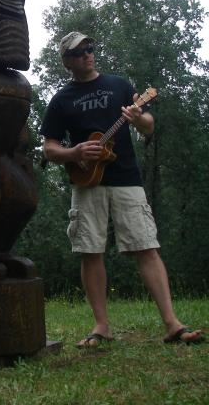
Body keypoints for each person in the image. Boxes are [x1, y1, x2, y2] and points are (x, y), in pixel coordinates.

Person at [41, 31, 203, 348]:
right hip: (86, 182)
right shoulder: (61, 100)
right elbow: (49, 148)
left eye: (90, 48)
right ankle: (102, 326)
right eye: (79, 52)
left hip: (127, 179)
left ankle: (173, 325)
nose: (88, 54)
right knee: (90, 252)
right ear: (67, 61)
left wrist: (138, 117)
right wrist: (74, 152)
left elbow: (148, 126)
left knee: (146, 247)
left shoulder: (119, 85)